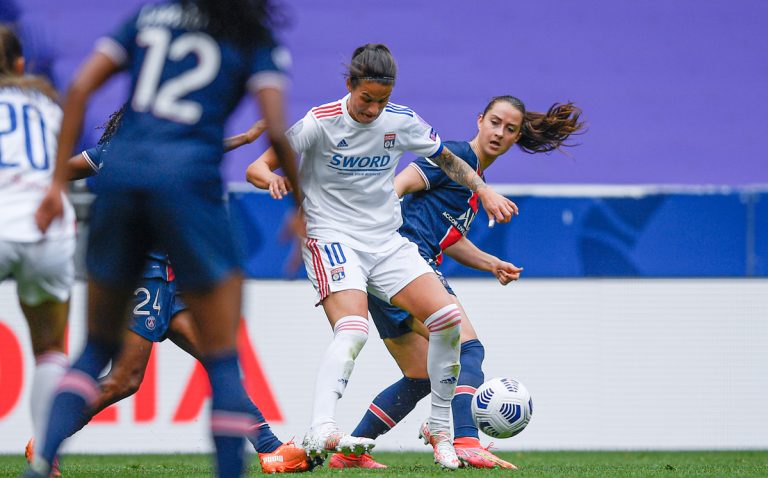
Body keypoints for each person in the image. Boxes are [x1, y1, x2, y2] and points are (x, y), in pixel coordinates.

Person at [26, 1, 301, 477]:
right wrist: (301, 205)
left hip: (149, 241)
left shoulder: (149, 19)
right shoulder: (249, 35)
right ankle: (42, 449)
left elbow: (81, 85)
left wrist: (51, 186)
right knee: (140, 375)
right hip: (167, 245)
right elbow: (274, 127)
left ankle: (270, 446)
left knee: (102, 350)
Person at [249, 95, 584, 469]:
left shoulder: (475, 180)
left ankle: (348, 455)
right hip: (399, 264)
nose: (499, 133)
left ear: (517, 136)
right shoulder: (454, 158)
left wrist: (491, 264)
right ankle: (466, 438)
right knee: (468, 349)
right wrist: (366, 231)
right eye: (494, 122)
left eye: (509, 129)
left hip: (394, 267)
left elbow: (450, 238)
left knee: (421, 374)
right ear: (479, 120)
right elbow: (400, 184)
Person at [0, 24, 70, 478]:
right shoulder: (47, 104)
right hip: (49, 227)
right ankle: (45, 462)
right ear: (20, 64)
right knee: (49, 348)